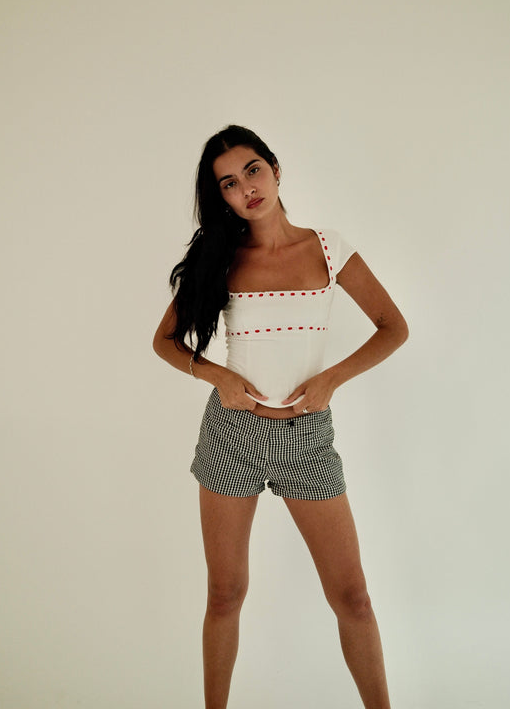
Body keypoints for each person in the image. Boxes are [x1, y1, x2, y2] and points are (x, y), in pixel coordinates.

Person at [153, 124, 408, 709]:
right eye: (228, 183)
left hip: (307, 438)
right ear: (220, 197)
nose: (246, 188)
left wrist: (331, 379)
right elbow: (164, 341)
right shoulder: (220, 259)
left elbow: (393, 327)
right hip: (232, 435)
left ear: (274, 169)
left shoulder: (328, 248)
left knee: (353, 598)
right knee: (225, 594)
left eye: (252, 171)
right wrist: (219, 377)